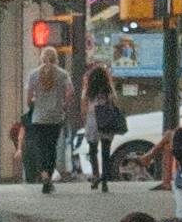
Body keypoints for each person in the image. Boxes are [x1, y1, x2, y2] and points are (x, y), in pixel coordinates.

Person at [23, 49, 73, 193]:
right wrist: (63, 104)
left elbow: (29, 98)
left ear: (42, 58)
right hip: (55, 117)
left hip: (39, 118)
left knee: (40, 148)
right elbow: (69, 93)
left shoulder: (34, 74)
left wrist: (34, 104)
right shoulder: (63, 74)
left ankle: (44, 175)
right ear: (56, 58)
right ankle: (49, 177)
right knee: (52, 148)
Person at [81, 66, 123, 192]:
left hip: (93, 119)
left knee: (92, 150)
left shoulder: (88, 90)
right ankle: (105, 180)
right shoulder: (108, 89)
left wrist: (85, 120)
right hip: (106, 120)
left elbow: (83, 105)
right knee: (106, 151)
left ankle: (95, 176)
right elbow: (115, 102)